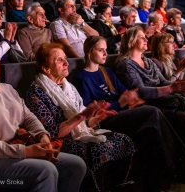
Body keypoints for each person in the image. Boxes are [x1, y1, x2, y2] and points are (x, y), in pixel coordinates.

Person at [73, 36, 185, 191]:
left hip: (122, 111)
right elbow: (90, 111)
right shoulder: (81, 77)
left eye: (106, 50)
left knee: (150, 133)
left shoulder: (106, 71)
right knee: (152, 112)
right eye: (101, 50)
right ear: (89, 51)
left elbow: (126, 92)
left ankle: (157, 182)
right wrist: (120, 103)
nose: (105, 54)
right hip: (107, 119)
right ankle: (182, 166)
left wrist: (128, 99)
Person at [0, 39, 86, 192]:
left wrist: (42, 136)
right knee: (45, 171)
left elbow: (28, 117)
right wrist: (27, 152)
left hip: (14, 149)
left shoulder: (7, 89)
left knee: (76, 165)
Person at [25, 43, 135, 191]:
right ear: (46, 68)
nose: (66, 63)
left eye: (65, 58)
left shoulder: (68, 87)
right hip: (59, 142)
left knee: (123, 139)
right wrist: (82, 116)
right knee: (99, 150)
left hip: (80, 135)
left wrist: (97, 118)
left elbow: (85, 124)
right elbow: (52, 134)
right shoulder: (36, 94)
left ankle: (113, 186)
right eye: (59, 60)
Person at [115, 26, 185, 150]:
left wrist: (180, 86)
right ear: (131, 41)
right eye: (141, 37)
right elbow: (141, 91)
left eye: (145, 37)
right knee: (182, 118)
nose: (146, 39)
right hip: (148, 103)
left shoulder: (149, 61)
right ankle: (176, 156)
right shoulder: (125, 64)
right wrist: (171, 89)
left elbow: (164, 82)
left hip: (162, 99)